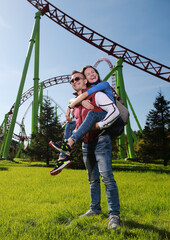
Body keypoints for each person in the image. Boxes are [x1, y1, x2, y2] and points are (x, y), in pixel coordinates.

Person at [65, 70, 121, 229]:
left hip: (101, 140)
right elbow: (78, 123)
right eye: (72, 80)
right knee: (92, 179)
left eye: (78, 79)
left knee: (107, 178)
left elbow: (114, 112)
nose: (75, 81)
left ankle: (114, 215)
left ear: (85, 82)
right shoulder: (76, 102)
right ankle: (95, 208)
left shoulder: (96, 95)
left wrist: (101, 125)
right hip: (86, 144)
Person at [49, 65, 124, 175]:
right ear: (86, 79)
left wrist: (72, 105)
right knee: (70, 124)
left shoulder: (101, 86)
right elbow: (75, 98)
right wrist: (78, 101)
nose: (91, 75)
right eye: (88, 74)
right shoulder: (85, 93)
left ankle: (70, 142)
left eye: (93, 72)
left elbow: (85, 94)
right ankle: (62, 159)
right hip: (98, 127)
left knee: (92, 113)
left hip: (114, 121)